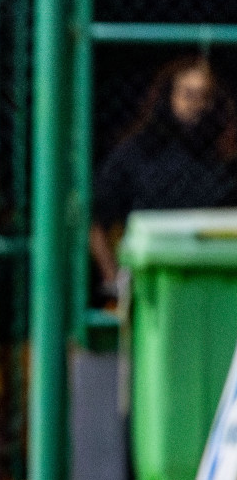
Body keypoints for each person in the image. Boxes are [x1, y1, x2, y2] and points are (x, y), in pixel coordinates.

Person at [91, 56, 237, 299]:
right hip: (151, 279)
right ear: (169, 96)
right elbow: (97, 223)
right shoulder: (137, 152)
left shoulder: (226, 157)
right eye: (188, 94)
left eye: (205, 97)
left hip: (219, 278)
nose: (197, 105)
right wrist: (114, 281)